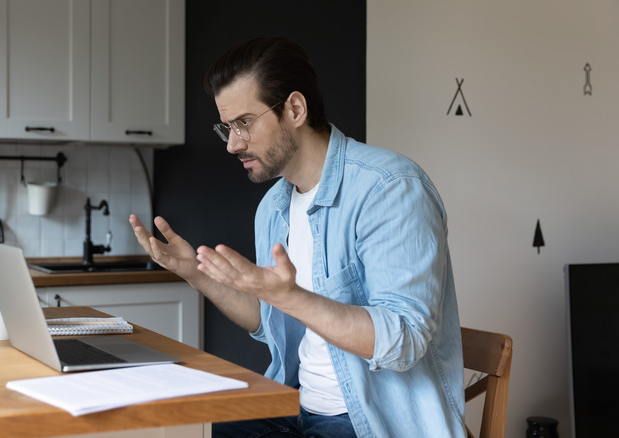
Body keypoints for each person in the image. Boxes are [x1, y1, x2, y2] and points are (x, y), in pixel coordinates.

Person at [130, 37, 466, 438]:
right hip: (297, 405)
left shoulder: (389, 188)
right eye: (227, 128)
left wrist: (290, 296)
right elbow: (267, 320)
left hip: (372, 423)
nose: (233, 144)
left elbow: (404, 339)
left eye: (244, 123)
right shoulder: (274, 206)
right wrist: (196, 274)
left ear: (294, 108)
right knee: (187, 428)